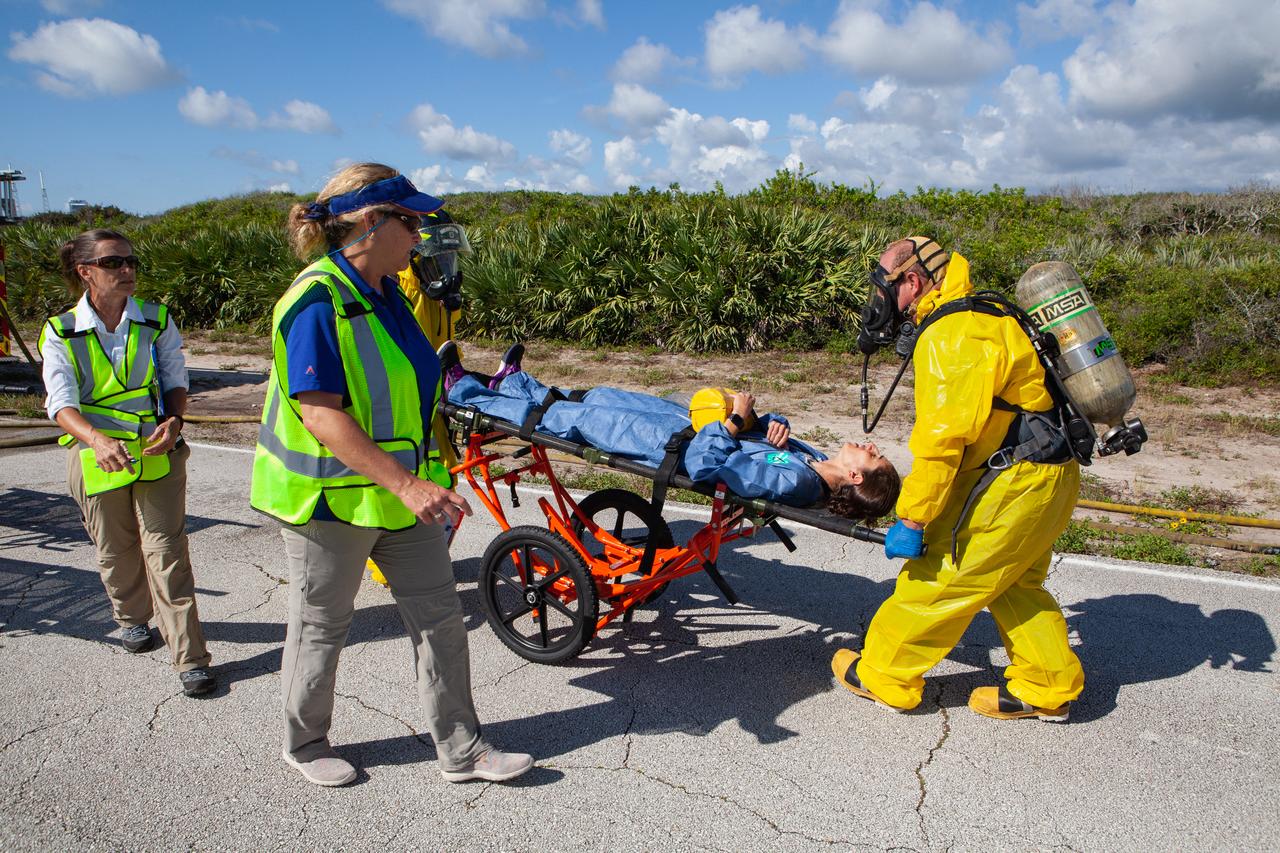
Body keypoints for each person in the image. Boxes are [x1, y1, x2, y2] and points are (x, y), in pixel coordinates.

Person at [249, 163, 533, 787]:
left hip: (402, 502)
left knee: (440, 621)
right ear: (371, 224)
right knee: (322, 626)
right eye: (410, 220)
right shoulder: (316, 302)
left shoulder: (386, 294)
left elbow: (410, 396)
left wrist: (429, 478)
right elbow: (321, 414)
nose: (420, 231)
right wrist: (406, 483)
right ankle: (305, 743)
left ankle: (463, 750)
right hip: (328, 503)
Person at [831, 236, 1084, 721]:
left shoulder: (954, 334)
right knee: (1014, 584)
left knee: (940, 576)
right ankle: (1048, 685)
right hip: (1050, 477)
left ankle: (884, 672)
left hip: (1013, 485)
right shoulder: (987, 315)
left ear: (912, 280)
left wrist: (914, 517)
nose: (879, 299)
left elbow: (943, 442)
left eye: (885, 286)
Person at [38, 229, 215, 697]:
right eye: (115, 262)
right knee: (116, 548)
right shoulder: (60, 331)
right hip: (96, 452)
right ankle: (132, 617)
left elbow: (176, 378)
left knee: (168, 551)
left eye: (131, 261)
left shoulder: (156, 320)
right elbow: (60, 404)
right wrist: (96, 440)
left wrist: (174, 422)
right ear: (85, 272)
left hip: (156, 447)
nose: (127, 270)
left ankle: (190, 658)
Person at [444, 361, 900, 521]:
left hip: (671, 445)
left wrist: (737, 424)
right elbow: (761, 440)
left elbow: (709, 464)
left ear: (857, 474)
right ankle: (513, 383)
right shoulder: (812, 461)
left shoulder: (796, 484)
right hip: (680, 425)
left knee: (570, 419)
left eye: (874, 456)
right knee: (598, 396)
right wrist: (769, 422)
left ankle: (462, 392)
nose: (870, 445)